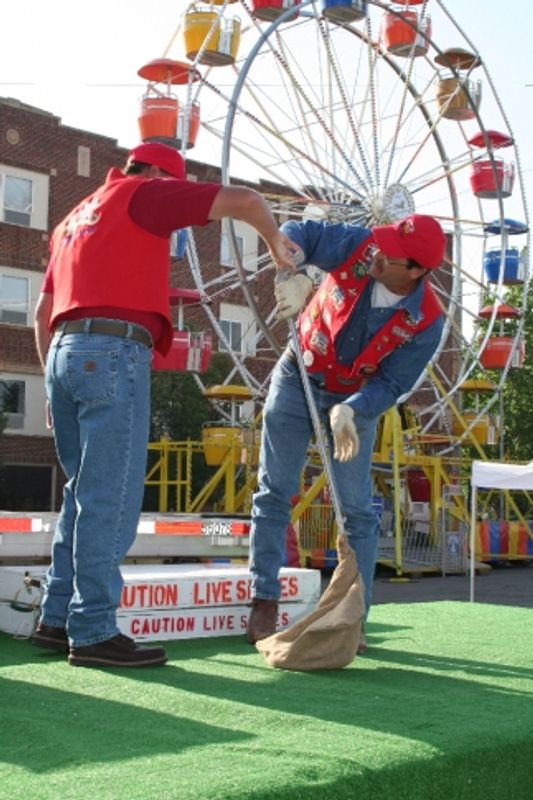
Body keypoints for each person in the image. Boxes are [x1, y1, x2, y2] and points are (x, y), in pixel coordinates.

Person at [32, 141, 297, 669]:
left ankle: (55, 618)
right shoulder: (146, 195)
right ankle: (92, 631)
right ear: (158, 174)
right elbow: (244, 201)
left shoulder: (74, 217)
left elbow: (42, 310)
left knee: (82, 492)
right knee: (113, 496)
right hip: (114, 350)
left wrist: (49, 382)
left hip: (64, 350)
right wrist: (276, 244)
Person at [246, 213, 447, 649]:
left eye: (390, 252)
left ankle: (353, 617)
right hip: (298, 374)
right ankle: (263, 599)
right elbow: (301, 233)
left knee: (356, 511)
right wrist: (292, 271)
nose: (378, 251)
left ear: (415, 271)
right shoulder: (360, 245)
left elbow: (393, 384)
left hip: (354, 404)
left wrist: (352, 411)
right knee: (274, 491)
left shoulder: (428, 322)